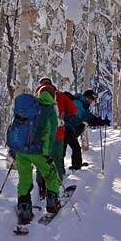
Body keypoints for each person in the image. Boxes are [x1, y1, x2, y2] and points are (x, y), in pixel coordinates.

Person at [14, 89, 62, 225]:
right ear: (53, 97)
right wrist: (47, 153)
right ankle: (52, 203)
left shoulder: (29, 108)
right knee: (50, 175)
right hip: (38, 151)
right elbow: (49, 134)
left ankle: (25, 210)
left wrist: (14, 150)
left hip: (21, 151)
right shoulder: (50, 112)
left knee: (24, 179)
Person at [33, 77, 76, 198]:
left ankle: (41, 186)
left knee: (41, 161)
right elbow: (73, 110)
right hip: (57, 134)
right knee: (56, 160)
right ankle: (56, 187)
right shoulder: (60, 96)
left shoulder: (36, 99)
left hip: (40, 136)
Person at [62, 89, 110, 170]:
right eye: (91, 98)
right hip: (66, 128)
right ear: (86, 97)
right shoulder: (78, 103)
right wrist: (95, 121)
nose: (91, 101)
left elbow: (89, 116)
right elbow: (83, 116)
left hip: (68, 128)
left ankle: (72, 167)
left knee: (69, 149)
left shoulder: (83, 105)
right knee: (71, 148)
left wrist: (101, 121)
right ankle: (72, 168)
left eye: (93, 100)